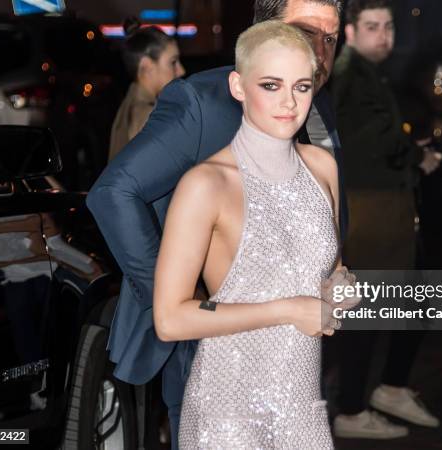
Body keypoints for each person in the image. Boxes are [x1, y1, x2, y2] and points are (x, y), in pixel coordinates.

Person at [86, 1, 347, 449]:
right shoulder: (202, 102)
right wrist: (185, 297)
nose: (320, 50)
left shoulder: (317, 107)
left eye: (330, 37)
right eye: (306, 31)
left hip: (296, 367)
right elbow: (113, 192)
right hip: (215, 354)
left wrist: (334, 283)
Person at [153, 20, 343, 448]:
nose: (289, 103)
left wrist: (340, 292)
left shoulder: (322, 168)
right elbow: (169, 320)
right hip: (228, 413)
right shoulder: (206, 184)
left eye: (302, 86)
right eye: (271, 85)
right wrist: (286, 310)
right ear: (238, 86)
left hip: (302, 407)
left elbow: (331, 271)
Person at [331, 0, 440, 440]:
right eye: (373, 26)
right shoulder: (347, 74)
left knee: (409, 299)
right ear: (352, 32)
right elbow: (371, 141)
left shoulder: (369, 73)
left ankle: (388, 389)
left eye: (389, 26)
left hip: (384, 206)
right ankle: (353, 409)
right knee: (369, 309)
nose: (384, 35)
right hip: (367, 209)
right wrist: (418, 155)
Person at [108, 18, 186, 161]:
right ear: (147, 66)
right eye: (173, 62)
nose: (181, 71)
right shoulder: (148, 116)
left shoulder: (131, 104)